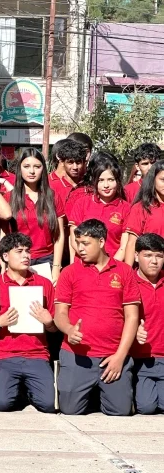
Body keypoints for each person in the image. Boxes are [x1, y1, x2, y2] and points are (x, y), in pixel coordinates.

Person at [54, 219, 140, 416]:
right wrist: (68, 330)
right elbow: (59, 314)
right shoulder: (69, 272)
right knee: (70, 410)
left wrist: (120, 357)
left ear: (101, 242)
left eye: (86, 243)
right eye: (77, 243)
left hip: (112, 357)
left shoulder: (124, 272)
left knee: (120, 411)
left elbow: (132, 318)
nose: (80, 248)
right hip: (77, 356)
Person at [0, 233, 57, 413]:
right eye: (19, 251)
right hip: (5, 355)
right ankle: (15, 387)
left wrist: (49, 323)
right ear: (5, 256)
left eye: (28, 251)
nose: (26, 256)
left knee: (48, 404)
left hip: (37, 355)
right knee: (1, 403)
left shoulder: (44, 284)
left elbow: (55, 327)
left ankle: (24, 388)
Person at [8, 148, 64, 282]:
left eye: (37, 166)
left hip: (46, 260)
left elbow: (59, 235)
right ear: (19, 168)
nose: (32, 171)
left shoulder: (53, 196)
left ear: (43, 169)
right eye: (26, 166)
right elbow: (3, 235)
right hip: (17, 259)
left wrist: (56, 267)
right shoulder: (9, 198)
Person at [69, 153, 131, 262]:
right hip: (84, 264)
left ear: (117, 181)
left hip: (113, 266)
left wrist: (108, 265)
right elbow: (74, 239)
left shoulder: (126, 208)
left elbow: (124, 246)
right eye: (101, 180)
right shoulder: (82, 203)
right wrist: (91, 259)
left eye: (111, 180)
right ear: (94, 181)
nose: (106, 185)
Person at [130, 233, 164, 414]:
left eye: (159, 256)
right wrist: (132, 330)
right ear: (136, 256)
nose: (154, 261)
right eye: (148, 255)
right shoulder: (128, 283)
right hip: (141, 360)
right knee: (146, 407)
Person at [125, 160, 164, 265]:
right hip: (150, 267)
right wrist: (127, 274)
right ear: (153, 180)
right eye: (163, 180)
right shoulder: (142, 208)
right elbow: (131, 243)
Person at [49, 139, 87, 208]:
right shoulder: (52, 187)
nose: (75, 167)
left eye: (78, 163)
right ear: (62, 162)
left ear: (84, 163)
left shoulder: (89, 187)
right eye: (70, 162)